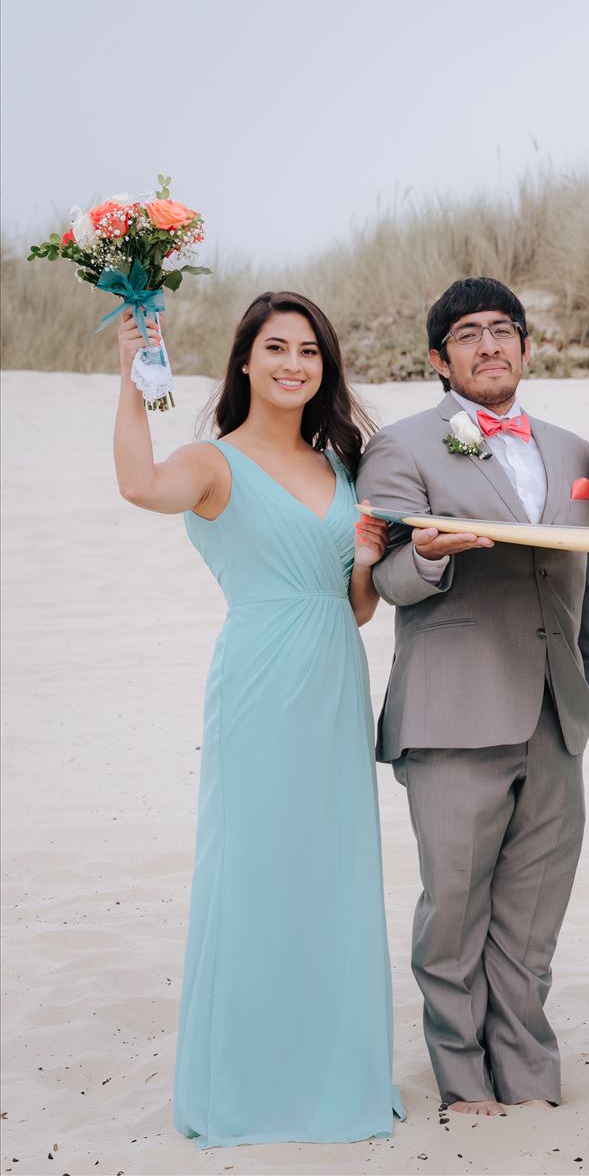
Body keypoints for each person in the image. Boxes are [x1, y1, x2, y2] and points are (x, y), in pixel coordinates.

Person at [111, 291, 403, 1147]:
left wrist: (368, 563)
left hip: (334, 677)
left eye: (309, 351)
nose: (293, 364)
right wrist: (131, 375)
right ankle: (247, 1084)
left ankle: (332, 1074)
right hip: (258, 683)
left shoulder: (341, 464)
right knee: (254, 872)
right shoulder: (212, 460)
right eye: (275, 348)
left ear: (325, 366)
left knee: (332, 874)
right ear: (245, 361)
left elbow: (352, 610)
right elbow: (137, 483)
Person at [357, 277, 589, 1115]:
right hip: (452, 714)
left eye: (503, 330)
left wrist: (581, 680)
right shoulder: (401, 447)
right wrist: (428, 556)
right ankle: (463, 1081)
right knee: (454, 913)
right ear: (440, 358)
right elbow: (383, 576)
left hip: (554, 715)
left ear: (526, 347)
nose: (489, 346)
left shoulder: (577, 452)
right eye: (467, 334)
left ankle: (529, 1073)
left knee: (532, 919)